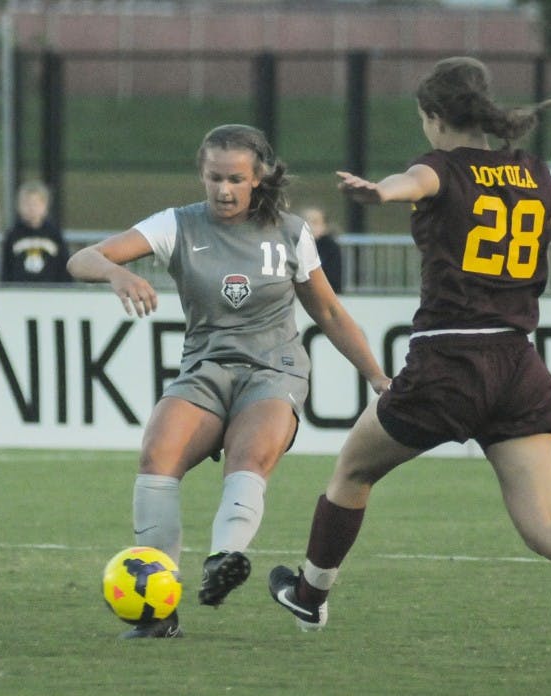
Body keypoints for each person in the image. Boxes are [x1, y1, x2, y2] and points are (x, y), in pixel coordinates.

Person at [267, 57, 551, 696]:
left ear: (437, 117)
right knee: (547, 522)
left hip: (449, 363)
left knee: (353, 472)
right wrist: (535, 208)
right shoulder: (529, 168)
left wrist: (378, 193)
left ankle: (310, 595)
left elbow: (410, 183)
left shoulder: (439, 167)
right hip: (517, 362)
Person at [66, 124, 390, 639]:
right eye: (214, 177)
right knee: (157, 453)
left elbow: (327, 310)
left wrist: (377, 376)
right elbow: (82, 257)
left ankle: (225, 559)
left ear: (257, 178)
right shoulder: (177, 226)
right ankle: (158, 608)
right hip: (205, 370)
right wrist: (116, 273)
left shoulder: (291, 232)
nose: (223, 189)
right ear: (201, 173)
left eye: (236, 179)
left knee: (250, 454)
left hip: (273, 370)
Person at [0, 180, 72, 284]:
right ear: (19, 206)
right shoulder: (12, 234)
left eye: (36, 204)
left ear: (45, 206)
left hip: (50, 291)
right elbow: (5, 268)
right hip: (19, 291)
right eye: (27, 204)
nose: (31, 208)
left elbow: (64, 266)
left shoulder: (54, 234)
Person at [300, 206, 343, 293]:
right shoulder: (292, 245)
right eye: (304, 222)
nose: (309, 226)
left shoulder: (330, 247)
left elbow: (332, 279)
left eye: (315, 222)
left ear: (324, 226)